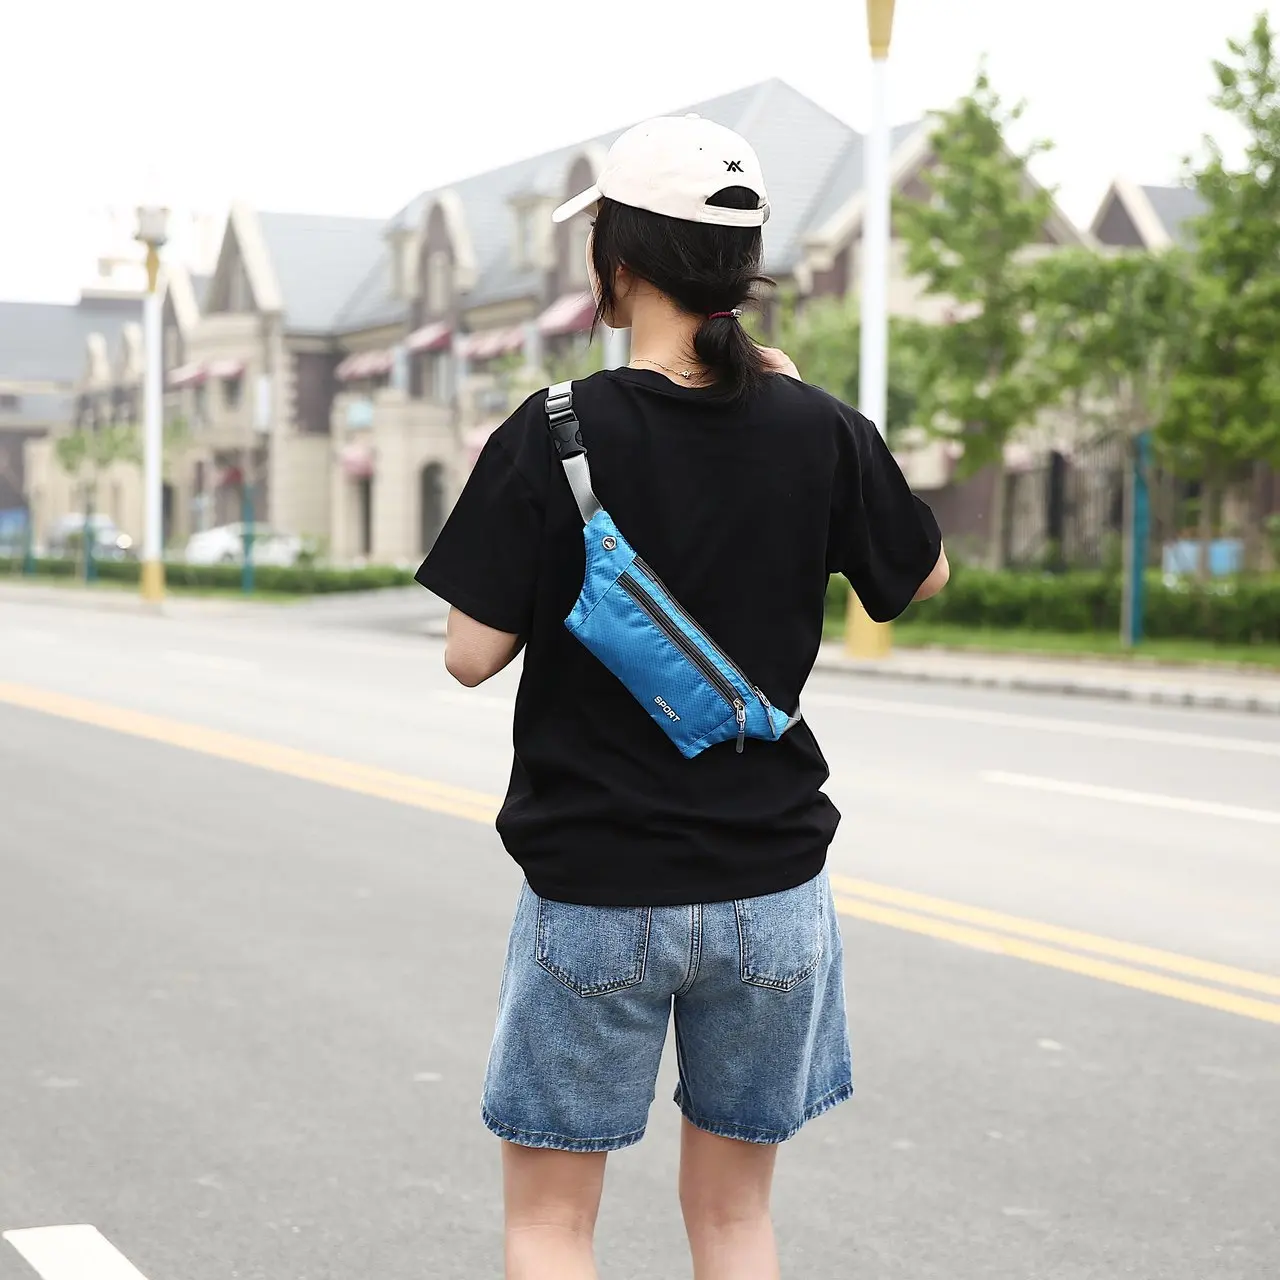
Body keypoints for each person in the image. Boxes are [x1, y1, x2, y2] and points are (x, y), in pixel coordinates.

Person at [416, 113, 948, 1280]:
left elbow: (468, 651)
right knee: (735, 1221)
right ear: (738, 268)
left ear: (614, 261)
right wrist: (810, 423)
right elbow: (917, 575)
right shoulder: (818, 426)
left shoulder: (555, 429)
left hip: (598, 884)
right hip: (771, 888)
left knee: (551, 1223)